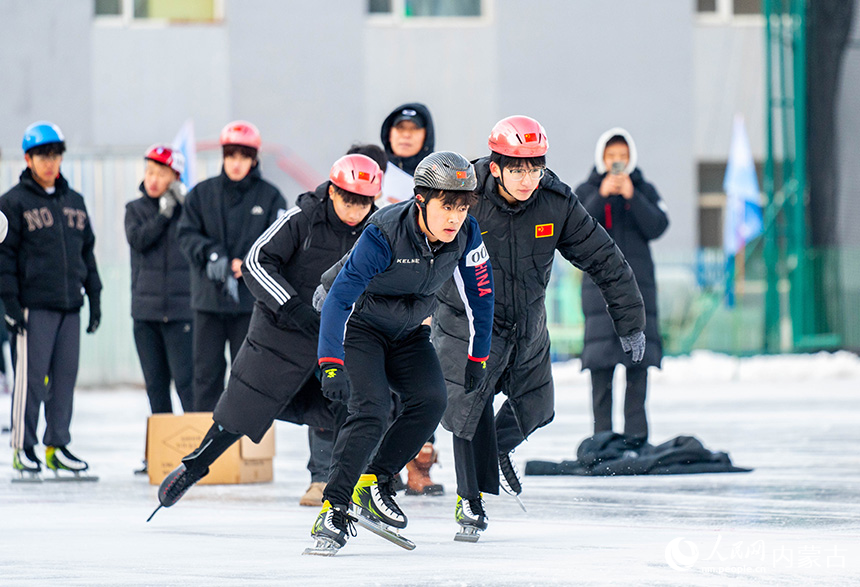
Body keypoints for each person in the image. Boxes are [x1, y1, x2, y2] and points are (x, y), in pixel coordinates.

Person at [432, 116, 646, 538]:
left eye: (535, 168)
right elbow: (406, 236)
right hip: (467, 322)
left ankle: (493, 453)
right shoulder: (462, 194)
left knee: (537, 407)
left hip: (526, 326)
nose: (528, 178)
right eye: (517, 169)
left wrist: (631, 322)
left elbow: (603, 257)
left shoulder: (555, 201)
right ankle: (469, 501)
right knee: (466, 410)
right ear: (495, 168)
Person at [150, 154, 381, 515]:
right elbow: (257, 260)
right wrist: (291, 307)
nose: (355, 210)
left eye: (364, 203)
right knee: (242, 409)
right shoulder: (302, 218)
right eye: (348, 200)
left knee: (346, 404)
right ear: (332, 191)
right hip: (281, 332)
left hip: (332, 337)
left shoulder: (375, 230)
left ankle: (341, 485)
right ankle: (194, 465)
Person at [309, 151, 494, 553]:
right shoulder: (384, 233)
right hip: (362, 329)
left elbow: (481, 296)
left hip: (408, 333)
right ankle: (333, 507)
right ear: (421, 200)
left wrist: (479, 356)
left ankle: (374, 482)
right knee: (372, 410)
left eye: (462, 207)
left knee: (432, 401)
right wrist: (331, 363)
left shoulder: (466, 234)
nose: (454, 217)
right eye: (447, 206)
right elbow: (340, 297)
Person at [0, 121, 102, 477]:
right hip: (32, 308)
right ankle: (22, 448)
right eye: (42, 155)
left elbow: (87, 253)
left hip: (69, 306)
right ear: (28, 158)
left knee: (63, 380)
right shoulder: (11, 203)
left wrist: (95, 295)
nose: (49, 162)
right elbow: (4, 258)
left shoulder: (74, 201)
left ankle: (57, 446)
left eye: (55, 154)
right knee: (30, 381)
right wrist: (10, 305)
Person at [177, 120, 286, 411]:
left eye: (243, 156)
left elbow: (282, 242)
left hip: (252, 305)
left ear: (254, 159)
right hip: (208, 302)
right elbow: (186, 234)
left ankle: (245, 444)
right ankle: (204, 444)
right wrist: (212, 255)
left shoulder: (271, 196)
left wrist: (251, 263)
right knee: (205, 375)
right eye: (230, 155)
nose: (236, 163)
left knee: (248, 374)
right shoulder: (200, 195)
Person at [576, 128, 668, 444]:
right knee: (600, 370)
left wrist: (633, 196)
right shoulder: (587, 190)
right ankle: (602, 441)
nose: (617, 162)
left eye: (623, 156)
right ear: (601, 158)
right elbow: (578, 226)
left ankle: (636, 441)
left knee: (638, 368)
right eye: (611, 156)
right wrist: (602, 194)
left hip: (638, 292)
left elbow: (658, 225)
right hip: (598, 292)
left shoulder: (644, 188)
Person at [125, 145, 193, 474]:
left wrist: (182, 208)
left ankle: (197, 452)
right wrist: (164, 213)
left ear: (175, 177)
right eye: (149, 172)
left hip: (182, 311)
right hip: (146, 313)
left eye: (161, 173)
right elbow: (139, 240)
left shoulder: (189, 211)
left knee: (187, 383)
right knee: (155, 385)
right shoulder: (135, 209)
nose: (153, 179)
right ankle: (159, 454)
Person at [379, 103, 435, 205]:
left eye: (414, 128)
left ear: (426, 135)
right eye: (400, 127)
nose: (406, 135)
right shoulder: (373, 169)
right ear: (389, 133)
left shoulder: (439, 176)